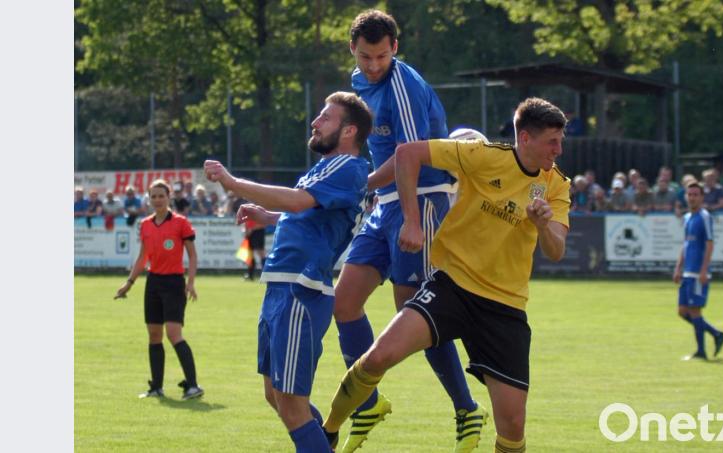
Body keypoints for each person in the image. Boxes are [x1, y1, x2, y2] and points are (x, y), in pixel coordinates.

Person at [322, 97, 571, 453]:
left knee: (513, 426)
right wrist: (412, 220)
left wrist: (543, 225)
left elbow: (556, 250)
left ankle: (466, 410)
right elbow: (407, 153)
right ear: (525, 138)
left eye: (560, 141)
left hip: (504, 307)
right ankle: (327, 432)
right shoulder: (483, 156)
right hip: (452, 287)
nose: (558, 150)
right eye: (552, 141)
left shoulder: (556, 184)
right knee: (378, 357)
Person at [330, 9, 485, 453]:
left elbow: (409, 157)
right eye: (365, 56)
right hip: (387, 204)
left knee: (415, 314)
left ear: (395, 48)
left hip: (423, 198)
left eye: (381, 56)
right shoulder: (357, 83)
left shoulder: (403, 86)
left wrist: (413, 220)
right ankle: (368, 404)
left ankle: (466, 408)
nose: (373, 65)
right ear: (352, 49)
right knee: (344, 302)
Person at [205, 91, 372, 453]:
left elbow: (298, 202)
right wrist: (270, 217)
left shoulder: (347, 165)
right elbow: (310, 213)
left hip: (301, 289)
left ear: (349, 131)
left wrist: (232, 182)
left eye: (325, 117)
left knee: (292, 404)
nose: (315, 122)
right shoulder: (331, 168)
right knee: (276, 395)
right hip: (282, 286)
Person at [113, 179, 203, 400]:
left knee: (173, 334)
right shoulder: (145, 224)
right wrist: (129, 283)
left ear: (169, 197)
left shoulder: (181, 222)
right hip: (153, 283)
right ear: (149, 199)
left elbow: (192, 255)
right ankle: (156, 387)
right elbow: (142, 257)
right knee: (154, 335)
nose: (157, 200)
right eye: (153, 196)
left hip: (174, 283)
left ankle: (193, 386)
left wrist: (190, 282)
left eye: (161, 195)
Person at [673, 182, 723, 360]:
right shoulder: (688, 217)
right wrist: (678, 267)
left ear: (702, 197)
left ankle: (701, 352)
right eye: (690, 194)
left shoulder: (704, 217)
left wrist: (704, 270)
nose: (692, 197)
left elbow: (709, 244)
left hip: (697, 273)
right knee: (682, 311)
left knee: (695, 311)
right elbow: (686, 244)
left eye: (696, 194)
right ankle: (716, 334)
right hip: (687, 272)